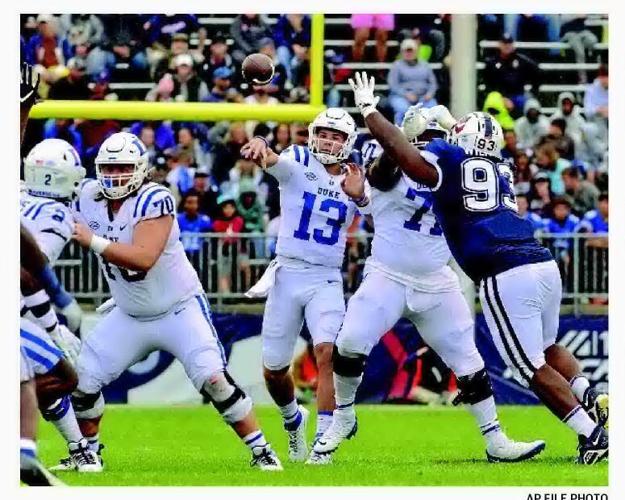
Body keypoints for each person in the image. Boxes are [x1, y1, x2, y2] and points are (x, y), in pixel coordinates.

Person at [347, 72, 608, 465]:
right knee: (548, 348)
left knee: (529, 368)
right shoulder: (501, 166)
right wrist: (454, 122)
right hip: (542, 264)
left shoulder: (450, 159)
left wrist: (370, 111)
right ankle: (590, 393)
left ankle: (594, 435)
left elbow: (408, 158)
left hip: (505, 271)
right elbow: (471, 139)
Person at [314, 116, 546, 463]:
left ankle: (495, 439)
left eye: (438, 137)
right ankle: (344, 416)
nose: (431, 144)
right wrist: (391, 140)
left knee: (469, 362)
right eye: (425, 137)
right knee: (348, 344)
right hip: (387, 276)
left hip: (437, 281)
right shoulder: (393, 164)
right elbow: (379, 179)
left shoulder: (456, 172)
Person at [70, 132, 282, 470]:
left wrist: (92, 240)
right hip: (129, 313)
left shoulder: (155, 198)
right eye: (108, 168)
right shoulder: (88, 196)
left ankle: (262, 451)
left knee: (215, 380)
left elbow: (143, 257)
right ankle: (87, 453)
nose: (115, 175)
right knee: (82, 382)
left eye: (124, 167)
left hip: (177, 309)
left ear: (140, 168)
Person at [241, 108, 363, 464]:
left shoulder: (357, 177)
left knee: (328, 353)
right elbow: (272, 159)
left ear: (348, 142)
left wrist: (362, 198)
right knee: (274, 371)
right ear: (312, 134)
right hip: (288, 273)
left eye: (337, 136)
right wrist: (261, 144)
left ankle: (323, 443)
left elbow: (379, 211)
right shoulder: (297, 158)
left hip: (326, 276)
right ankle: (294, 420)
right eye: (324, 133)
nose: (328, 140)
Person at [482, 33, 539, 116]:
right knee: (492, 101)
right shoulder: (491, 62)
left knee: (529, 103)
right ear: (500, 45)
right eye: (504, 43)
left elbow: (537, 72)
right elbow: (487, 84)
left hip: (518, 95)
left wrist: (533, 91)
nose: (507, 46)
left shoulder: (522, 60)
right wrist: (502, 99)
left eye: (509, 43)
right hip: (498, 96)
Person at [387, 38, 438, 125]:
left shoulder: (425, 65)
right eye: (406, 51)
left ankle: (430, 131)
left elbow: (433, 83)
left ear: (416, 51)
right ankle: (400, 130)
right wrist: (406, 94)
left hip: (423, 97)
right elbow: (393, 85)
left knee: (433, 106)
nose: (409, 53)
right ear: (402, 52)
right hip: (402, 97)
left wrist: (429, 94)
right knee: (402, 108)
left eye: (411, 50)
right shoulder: (397, 65)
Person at [177, 191, 213, 257]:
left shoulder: (205, 220)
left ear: (198, 204)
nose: (191, 206)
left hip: (199, 255)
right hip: (182, 255)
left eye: (194, 203)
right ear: (184, 204)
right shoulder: (178, 219)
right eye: (189, 203)